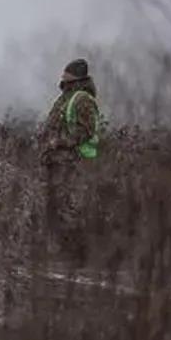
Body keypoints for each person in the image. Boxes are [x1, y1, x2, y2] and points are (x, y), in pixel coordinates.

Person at [41, 56, 106, 260]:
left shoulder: (82, 99)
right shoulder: (66, 97)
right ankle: (60, 253)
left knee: (69, 208)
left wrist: (58, 142)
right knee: (55, 208)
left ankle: (75, 255)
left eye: (66, 73)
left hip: (72, 162)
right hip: (57, 162)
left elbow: (85, 131)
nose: (62, 75)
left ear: (75, 77)